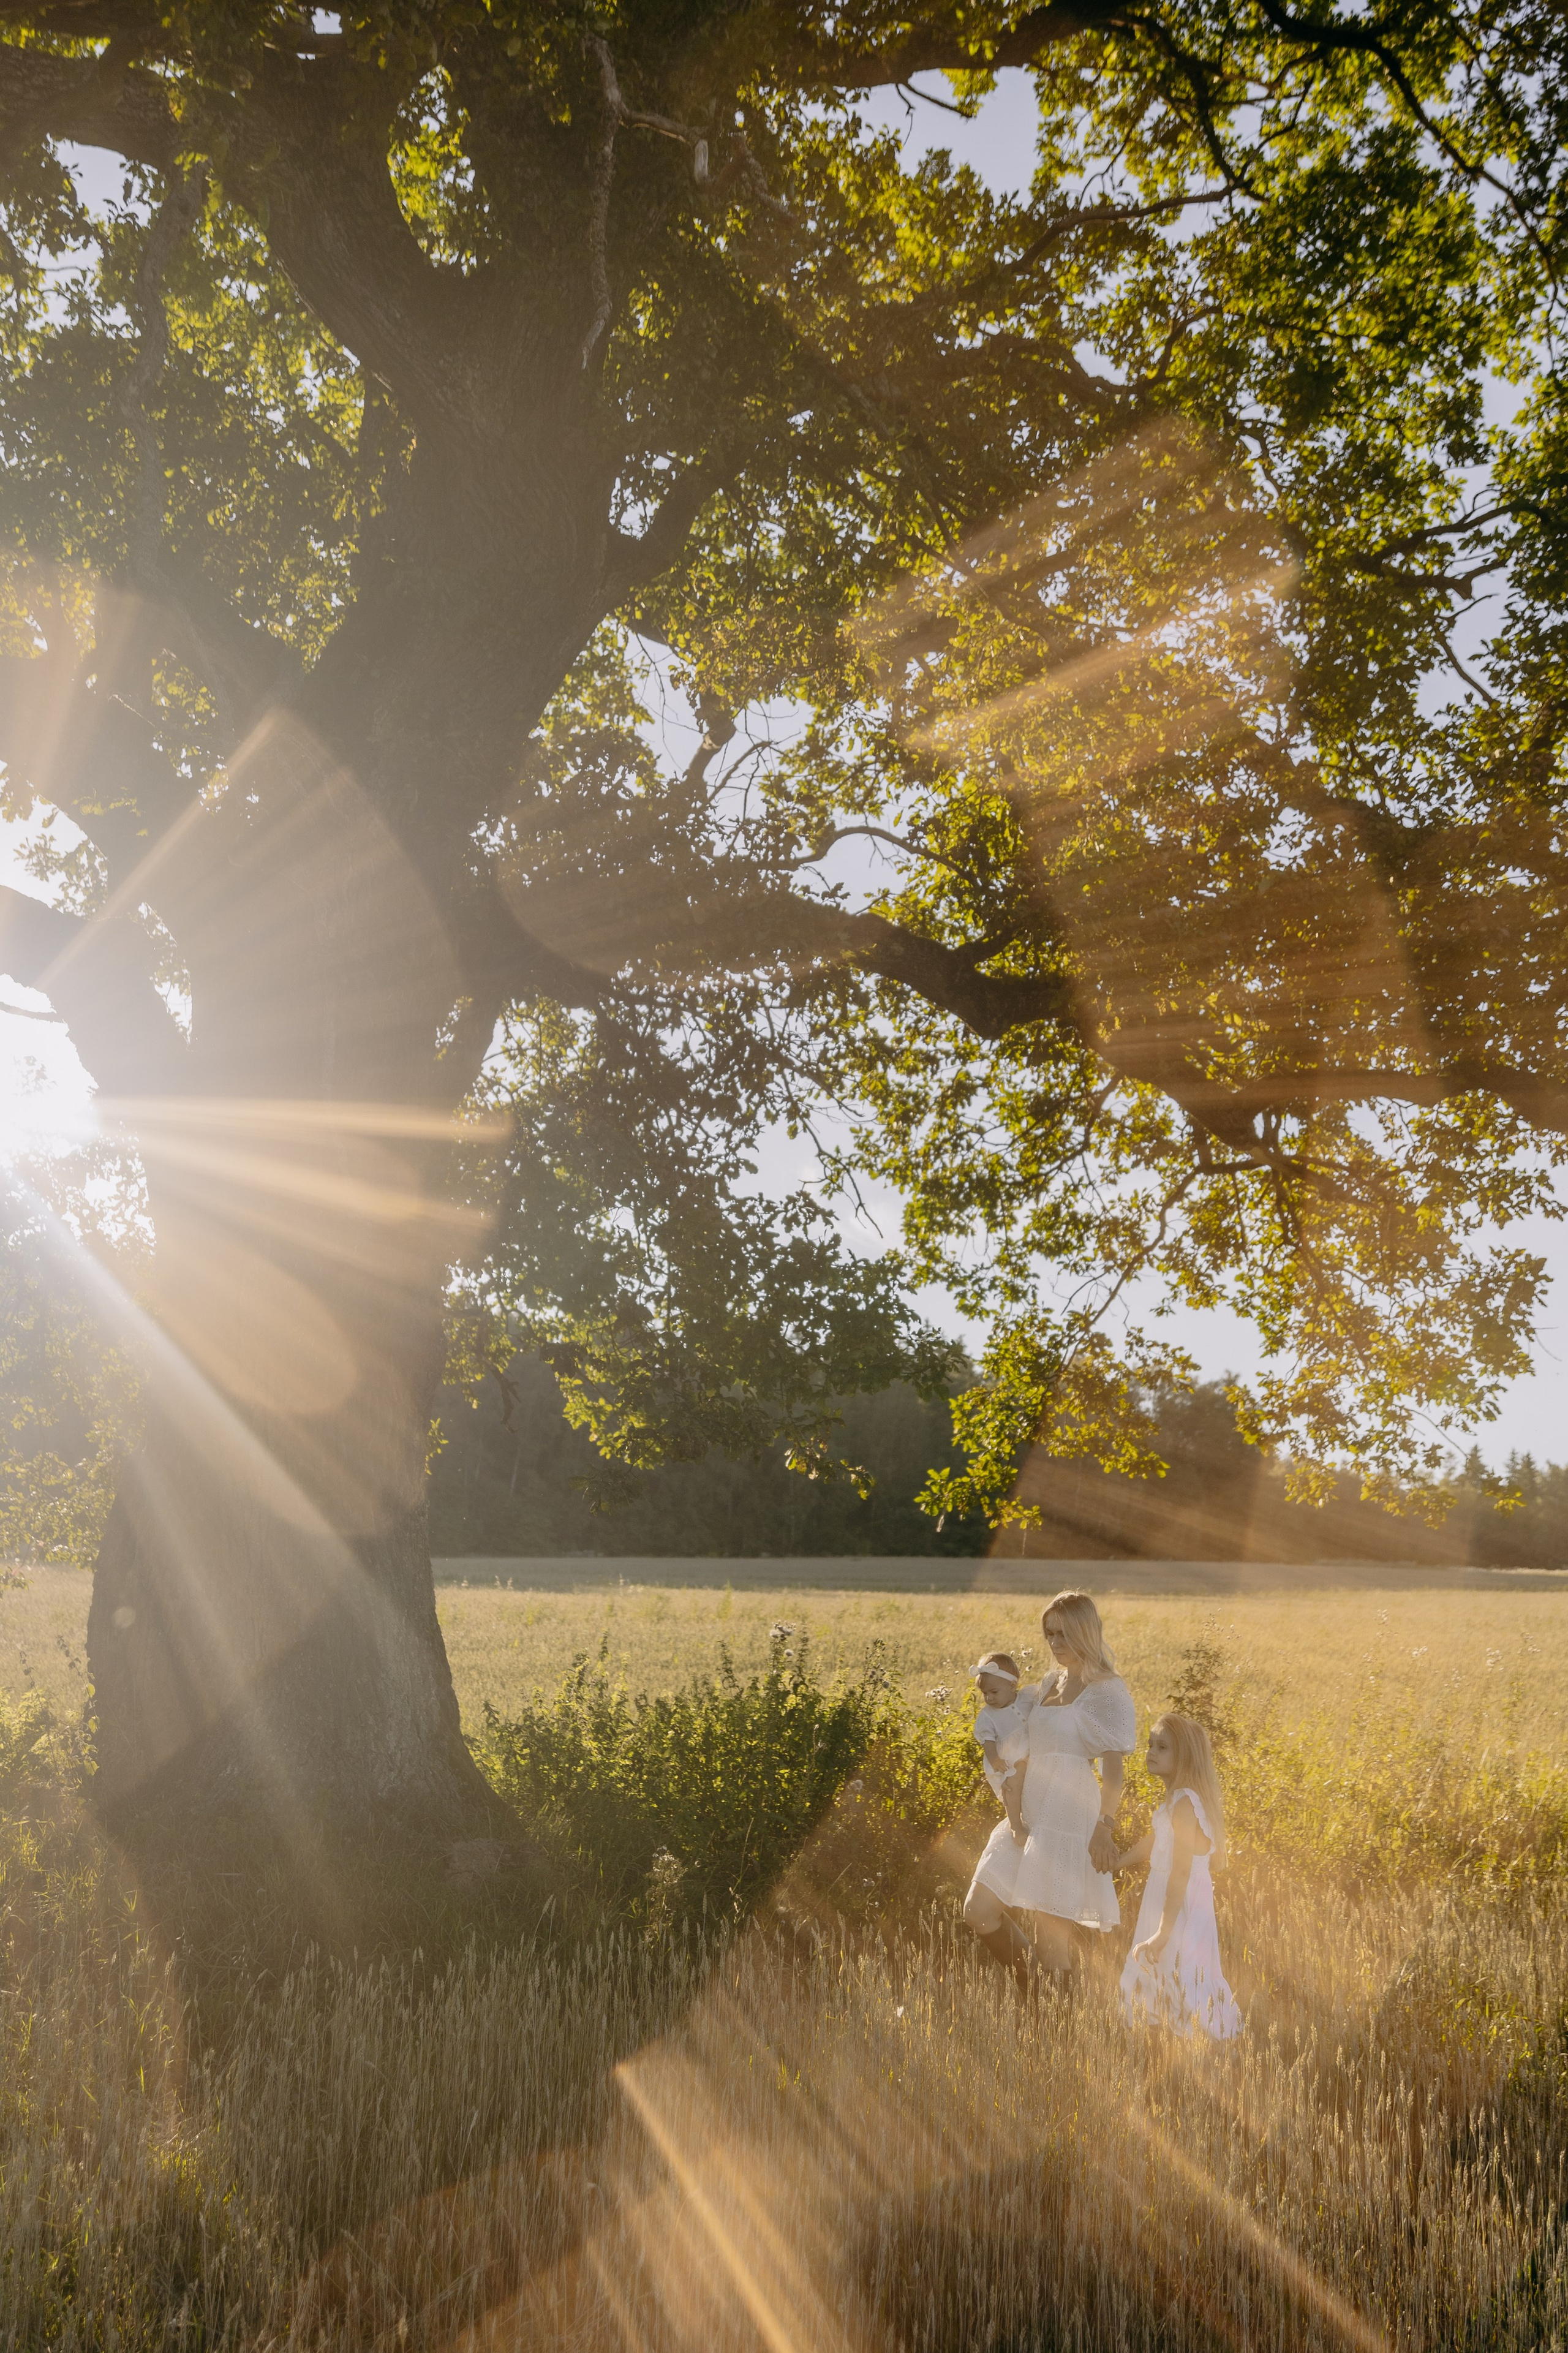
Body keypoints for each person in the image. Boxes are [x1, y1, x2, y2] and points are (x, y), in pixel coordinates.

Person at [963, 1590, 1135, 1992]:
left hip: (1068, 1815)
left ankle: (1050, 2033)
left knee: (1051, 1944)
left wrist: (1104, 1826)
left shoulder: (1107, 1690)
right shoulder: (1046, 1683)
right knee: (978, 1909)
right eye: (1050, 1634)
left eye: (1063, 1634)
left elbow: (1114, 1772)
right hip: (1028, 1813)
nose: (1055, 1643)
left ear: (1085, 1632)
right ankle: (1036, 1991)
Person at [1117, 1712, 1242, 2041]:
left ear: (1183, 1756)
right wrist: (1117, 1862)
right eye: (1150, 1746)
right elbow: (1155, 1840)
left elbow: (1181, 1870)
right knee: (1164, 1972)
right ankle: (1165, 2046)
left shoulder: (1187, 1803)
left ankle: (1206, 2050)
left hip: (1181, 1903)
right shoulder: (1175, 1800)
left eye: (1162, 1747)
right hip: (1165, 1897)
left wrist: (1162, 1931)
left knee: (1184, 1972)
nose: (1151, 1753)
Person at [971, 1652, 1036, 1826]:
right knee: (1012, 1787)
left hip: (1033, 1750)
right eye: (985, 1693)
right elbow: (988, 1741)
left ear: (1013, 1686)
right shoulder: (988, 1716)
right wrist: (995, 1760)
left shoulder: (1028, 1697)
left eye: (994, 1692)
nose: (988, 1698)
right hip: (1009, 1759)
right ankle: (1016, 1825)